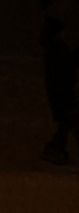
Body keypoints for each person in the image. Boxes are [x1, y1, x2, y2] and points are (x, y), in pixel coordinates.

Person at [41, 17, 78, 164]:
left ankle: (55, 149)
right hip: (64, 94)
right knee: (73, 122)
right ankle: (54, 149)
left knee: (67, 124)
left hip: (61, 94)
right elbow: (66, 68)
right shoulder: (57, 49)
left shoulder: (55, 49)